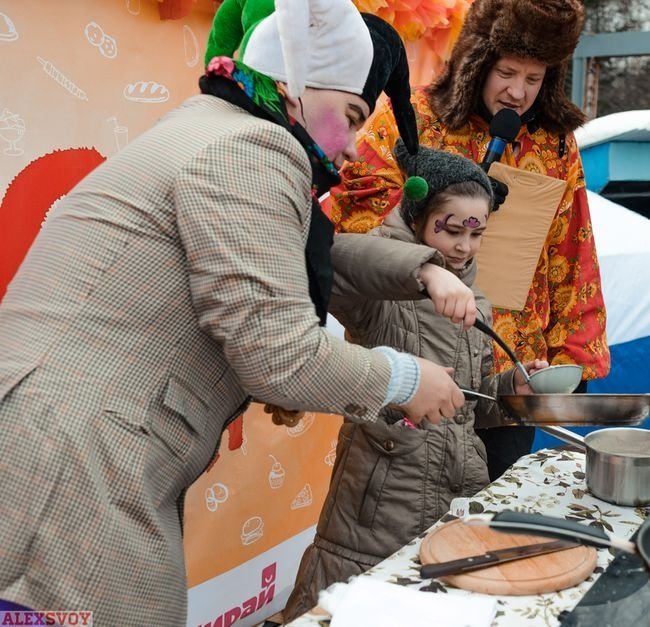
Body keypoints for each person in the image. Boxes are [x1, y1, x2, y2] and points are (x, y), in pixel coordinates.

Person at [0, 3, 468, 624]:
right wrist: (406, 378)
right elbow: (281, 356)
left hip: (57, 446)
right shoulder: (254, 146)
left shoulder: (212, 125)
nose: (353, 145)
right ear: (297, 88)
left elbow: (302, 264)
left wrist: (419, 271)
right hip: (74, 463)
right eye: (352, 115)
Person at [327, 0, 610, 480]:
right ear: (478, 59)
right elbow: (354, 213)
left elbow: (572, 248)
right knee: (405, 505)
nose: (517, 92)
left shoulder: (555, 145)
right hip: (420, 349)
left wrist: (573, 358)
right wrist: (434, 214)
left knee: (491, 516)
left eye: (534, 79)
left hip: (509, 366)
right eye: (506, 72)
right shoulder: (413, 115)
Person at [283, 141, 549, 619]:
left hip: (458, 491)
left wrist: (511, 389)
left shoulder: (477, 300)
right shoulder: (384, 293)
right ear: (417, 218)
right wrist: (425, 271)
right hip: (382, 504)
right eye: (450, 230)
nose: (464, 246)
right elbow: (330, 257)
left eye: (477, 233)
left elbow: (468, 402)